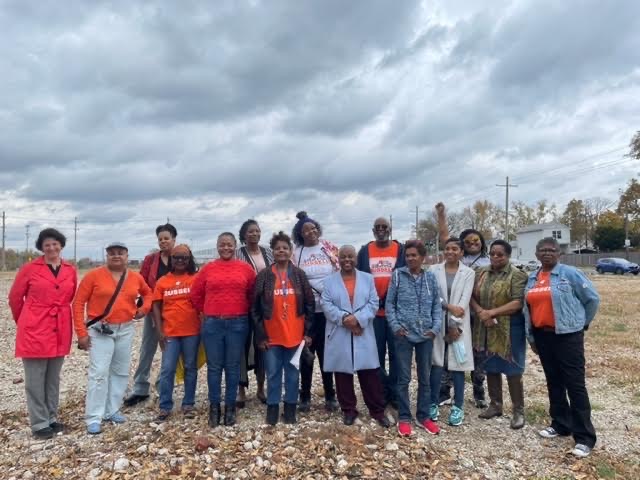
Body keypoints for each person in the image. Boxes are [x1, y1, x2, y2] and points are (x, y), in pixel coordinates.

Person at [524, 237, 600, 458]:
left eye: (552, 250)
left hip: (568, 336)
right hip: (543, 336)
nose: (547, 253)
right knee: (554, 381)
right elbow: (528, 309)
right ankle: (560, 424)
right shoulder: (532, 277)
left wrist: (581, 324)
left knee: (575, 385)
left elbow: (592, 299)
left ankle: (584, 437)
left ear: (559, 253)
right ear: (536, 254)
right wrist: (532, 338)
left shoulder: (570, 274)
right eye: (543, 250)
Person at [73, 242, 152, 435]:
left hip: (125, 328)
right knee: (99, 372)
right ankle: (94, 417)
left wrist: (143, 309)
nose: (116, 256)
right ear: (106, 256)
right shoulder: (94, 276)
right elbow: (78, 303)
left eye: (120, 253)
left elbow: (149, 293)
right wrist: (81, 333)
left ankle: (112, 409)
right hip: (100, 330)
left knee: (120, 371)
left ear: (127, 256)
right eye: (112, 253)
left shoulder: (135, 277)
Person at [8, 228, 77, 439]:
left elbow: (70, 296)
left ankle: (52, 418)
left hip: (60, 327)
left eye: (55, 243)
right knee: (35, 379)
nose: (51, 248)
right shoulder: (29, 269)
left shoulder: (70, 269)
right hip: (34, 327)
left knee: (53, 378)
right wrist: (25, 321)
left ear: (61, 245)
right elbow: (15, 298)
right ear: (41, 247)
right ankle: (39, 423)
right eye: (47, 244)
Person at [191, 232, 256, 427]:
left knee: (233, 366)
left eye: (229, 244)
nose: (226, 248)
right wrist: (205, 311)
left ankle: (230, 407)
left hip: (238, 323)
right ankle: (214, 407)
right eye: (222, 244)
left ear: (235, 246)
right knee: (214, 367)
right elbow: (195, 294)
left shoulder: (246, 269)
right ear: (217, 246)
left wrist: (242, 309)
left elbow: (252, 294)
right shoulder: (208, 268)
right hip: (213, 323)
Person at [322, 245, 391, 427]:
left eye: (350, 256)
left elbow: (373, 303)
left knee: (369, 373)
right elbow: (326, 304)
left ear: (356, 259)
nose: (347, 260)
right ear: (338, 259)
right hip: (340, 331)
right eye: (343, 256)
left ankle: (377, 410)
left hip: (362, 330)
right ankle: (349, 410)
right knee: (342, 373)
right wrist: (346, 319)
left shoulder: (367, 279)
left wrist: (358, 320)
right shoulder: (329, 281)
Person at [252, 232, 314, 425]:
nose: (281, 251)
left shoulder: (299, 275)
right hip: (271, 336)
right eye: (277, 248)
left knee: (293, 374)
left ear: (290, 251)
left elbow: (310, 304)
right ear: (273, 251)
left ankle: (290, 408)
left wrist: (308, 332)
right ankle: (272, 407)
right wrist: (260, 335)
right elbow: (255, 308)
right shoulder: (264, 275)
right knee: (273, 373)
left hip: (295, 336)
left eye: (285, 248)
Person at [386, 240, 442, 437]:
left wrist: (435, 328)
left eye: (414, 255)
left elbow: (436, 304)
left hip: (426, 335)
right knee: (403, 378)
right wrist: (395, 326)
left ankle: (423, 416)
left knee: (425, 378)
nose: (410, 258)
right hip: (404, 336)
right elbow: (389, 304)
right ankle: (404, 417)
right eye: (407, 255)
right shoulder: (397, 276)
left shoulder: (430, 278)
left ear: (422, 257)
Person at [435, 202, 489, 408]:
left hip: (480, 314)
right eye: (468, 241)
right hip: (458, 311)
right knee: (451, 347)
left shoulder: (489, 261)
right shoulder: (458, 259)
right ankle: (445, 390)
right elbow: (445, 237)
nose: (472, 243)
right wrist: (441, 215)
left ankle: (478, 391)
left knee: (478, 352)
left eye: (476, 240)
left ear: (482, 242)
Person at [470, 240, 528, 430]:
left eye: (500, 254)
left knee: (513, 368)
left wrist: (492, 313)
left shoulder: (517, 275)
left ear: (508, 255)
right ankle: (496, 405)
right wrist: (481, 312)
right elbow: (470, 295)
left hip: (509, 327)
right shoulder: (480, 272)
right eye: (492, 253)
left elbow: (518, 302)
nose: (495, 257)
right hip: (485, 326)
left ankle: (518, 411)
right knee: (491, 365)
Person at [291, 211, 340, 412]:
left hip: (328, 311)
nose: (311, 232)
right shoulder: (297, 253)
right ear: (300, 234)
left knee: (326, 355)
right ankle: (305, 396)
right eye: (306, 230)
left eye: (313, 228)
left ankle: (330, 395)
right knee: (307, 355)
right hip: (308, 313)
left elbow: (340, 271)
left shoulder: (329, 248)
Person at [125, 223, 178, 407]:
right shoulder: (150, 260)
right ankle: (140, 388)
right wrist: (143, 305)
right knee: (147, 348)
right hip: (153, 310)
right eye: (160, 239)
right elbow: (142, 283)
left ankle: (164, 387)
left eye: (167, 238)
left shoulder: (180, 257)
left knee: (169, 350)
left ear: (174, 239)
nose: (163, 242)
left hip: (174, 311)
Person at [356, 217, 405, 408]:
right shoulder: (365, 251)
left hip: (395, 314)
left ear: (390, 229)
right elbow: (359, 279)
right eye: (377, 227)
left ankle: (395, 393)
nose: (381, 229)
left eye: (384, 227)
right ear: (373, 230)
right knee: (376, 354)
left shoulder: (400, 250)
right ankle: (381, 392)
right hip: (373, 314)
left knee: (396, 355)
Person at [428, 238, 475, 426]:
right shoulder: (433, 270)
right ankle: (433, 402)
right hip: (437, 321)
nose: (450, 252)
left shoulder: (468, 273)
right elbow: (432, 295)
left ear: (461, 252)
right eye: (447, 248)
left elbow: (464, 300)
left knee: (458, 363)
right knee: (436, 362)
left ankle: (458, 406)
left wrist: (455, 325)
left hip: (459, 323)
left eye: (455, 249)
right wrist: (447, 306)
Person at [153, 245, 201, 422]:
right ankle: (165, 406)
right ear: (171, 260)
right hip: (170, 333)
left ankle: (188, 404)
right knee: (167, 369)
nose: (180, 260)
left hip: (192, 331)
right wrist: (159, 331)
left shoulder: (195, 279)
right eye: (176, 257)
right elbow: (156, 306)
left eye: (184, 258)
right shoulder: (162, 281)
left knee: (190, 367)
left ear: (189, 260)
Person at [236, 219, 274, 407]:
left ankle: (260, 388)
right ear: (244, 235)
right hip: (243, 305)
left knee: (263, 346)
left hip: (265, 307)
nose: (254, 234)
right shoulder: (237, 254)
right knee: (241, 348)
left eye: (257, 231)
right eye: (250, 231)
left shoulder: (268, 252)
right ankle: (241, 390)